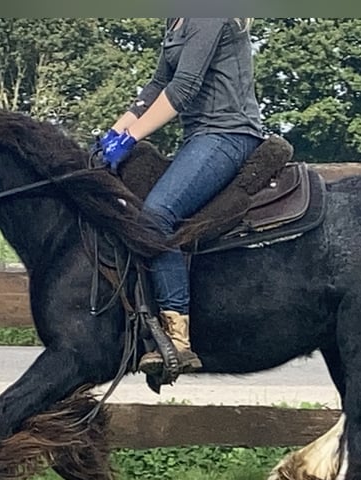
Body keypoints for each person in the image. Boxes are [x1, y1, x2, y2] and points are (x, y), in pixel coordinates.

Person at [101, 18, 265, 376]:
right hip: (199, 138)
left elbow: (184, 88)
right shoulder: (176, 21)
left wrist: (131, 138)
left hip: (228, 134)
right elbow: (157, 84)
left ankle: (178, 338)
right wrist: (112, 133)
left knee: (156, 215)